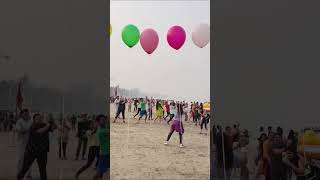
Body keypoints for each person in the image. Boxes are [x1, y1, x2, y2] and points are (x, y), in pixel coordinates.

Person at [17, 113, 57, 180]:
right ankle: (19, 178)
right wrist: (48, 125)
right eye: (38, 118)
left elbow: (54, 127)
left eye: (41, 118)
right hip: (31, 151)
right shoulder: (32, 126)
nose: (40, 119)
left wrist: (52, 120)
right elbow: (39, 132)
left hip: (42, 151)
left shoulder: (44, 125)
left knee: (43, 169)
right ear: (34, 119)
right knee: (25, 168)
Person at [15, 109, 33, 180]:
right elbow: (20, 130)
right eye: (25, 114)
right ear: (22, 114)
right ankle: (19, 174)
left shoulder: (31, 122)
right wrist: (29, 129)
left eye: (27, 114)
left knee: (29, 160)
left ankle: (29, 175)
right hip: (21, 144)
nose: (26, 115)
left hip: (30, 144)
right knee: (20, 160)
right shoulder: (19, 122)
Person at [93, 115, 110, 180]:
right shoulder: (101, 131)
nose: (104, 121)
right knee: (98, 173)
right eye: (102, 120)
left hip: (107, 152)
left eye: (104, 120)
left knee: (100, 172)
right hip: (104, 153)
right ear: (98, 122)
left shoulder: (105, 129)